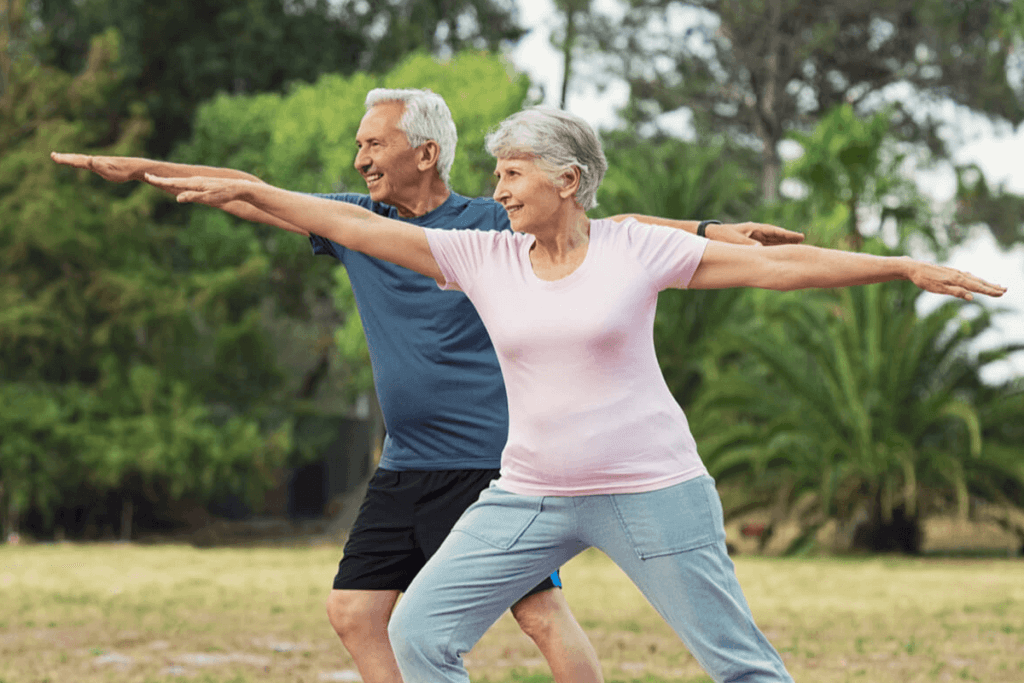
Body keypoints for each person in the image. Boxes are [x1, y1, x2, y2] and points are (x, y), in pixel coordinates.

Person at [138, 106, 1005, 683]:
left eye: (515, 173)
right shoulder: (484, 258)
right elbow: (353, 224)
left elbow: (778, 268)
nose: (501, 188)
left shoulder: (635, 248)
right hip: (531, 493)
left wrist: (898, 266)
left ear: (569, 181)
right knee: (418, 635)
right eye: (498, 173)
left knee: (740, 665)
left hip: (651, 489)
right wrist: (250, 189)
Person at [52, 89, 805, 683]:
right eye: (357, 146)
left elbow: (610, 226)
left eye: (372, 144)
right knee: (355, 610)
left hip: (490, 461)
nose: (359, 160)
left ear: (426, 150)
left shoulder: (489, 224)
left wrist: (708, 231)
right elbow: (259, 192)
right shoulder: (358, 223)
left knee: (541, 617)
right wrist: (147, 168)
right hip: (406, 459)